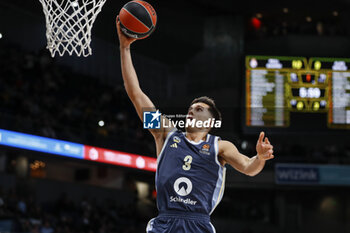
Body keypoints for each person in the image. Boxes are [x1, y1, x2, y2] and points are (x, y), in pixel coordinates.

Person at [116, 17, 275, 233]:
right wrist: (125, 48)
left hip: (197, 224)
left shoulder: (220, 147)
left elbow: (249, 167)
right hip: (165, 222)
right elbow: (135, 94)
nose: (191, 111)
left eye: (198, 109)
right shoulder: (165, 133)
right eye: (190, 109)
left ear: (210, 121)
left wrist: (261, 158)